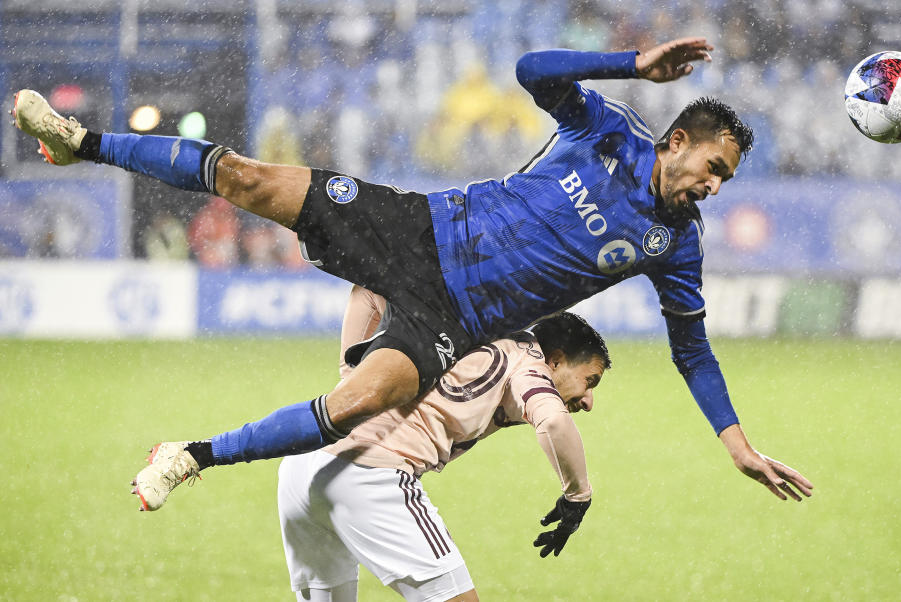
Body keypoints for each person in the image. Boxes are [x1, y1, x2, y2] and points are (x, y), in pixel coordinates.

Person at [13, 38, 813, 505]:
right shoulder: (606, 131)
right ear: (677, 142)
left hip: (454, 321)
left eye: (725, 180)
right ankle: (80, 143)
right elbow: (534, 68)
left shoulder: (676, 243)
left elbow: (693, 349)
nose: (712, 185)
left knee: (365, 401)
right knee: (249, 179)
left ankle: (190, 453)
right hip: (419, 226)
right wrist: (631, 64)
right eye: (711, 165)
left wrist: (736, 445)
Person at [141, 287, 610, 601]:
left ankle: (194, 454)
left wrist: (353, 374)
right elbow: (551, 420)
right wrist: (577, 495)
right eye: (588, 381)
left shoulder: (480, 325)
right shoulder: (528, 361)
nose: (587, 400)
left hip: (304, 469)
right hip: (372, 478)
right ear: (559, 358)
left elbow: (369, 289)